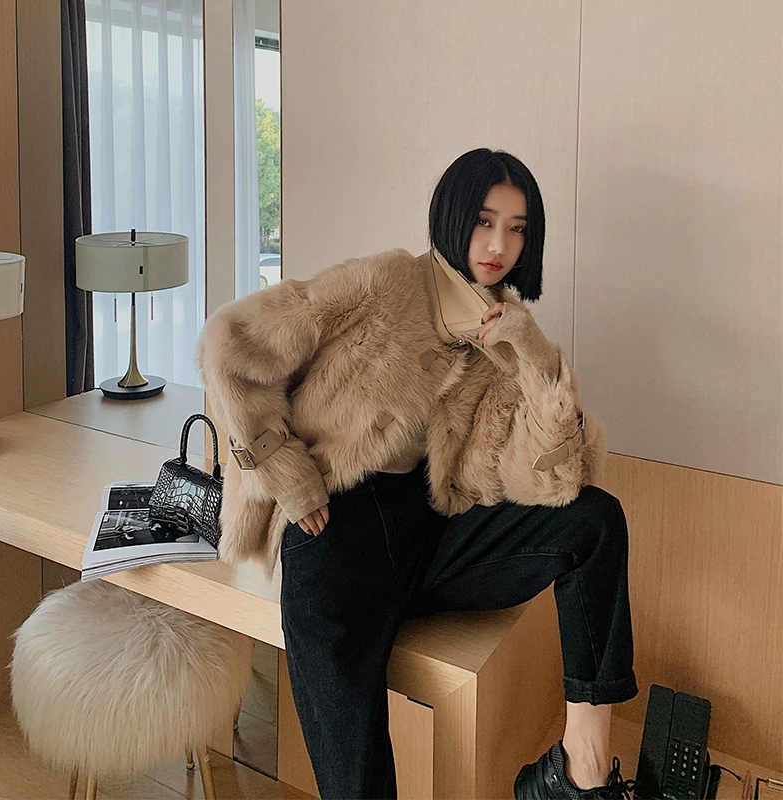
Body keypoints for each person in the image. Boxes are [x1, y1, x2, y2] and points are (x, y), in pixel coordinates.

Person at [199, 149, 637, 800]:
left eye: (517, 228)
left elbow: (554, 481)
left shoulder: (506, 335)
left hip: (435, 533)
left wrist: (535, 358)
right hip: (336, 529)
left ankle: (582, 772)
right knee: (357, 783)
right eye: (485, 221)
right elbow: (228, 342)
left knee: (596, 521)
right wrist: (288, 474)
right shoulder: (383, 285)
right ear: (453, 215)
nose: (498, 245)